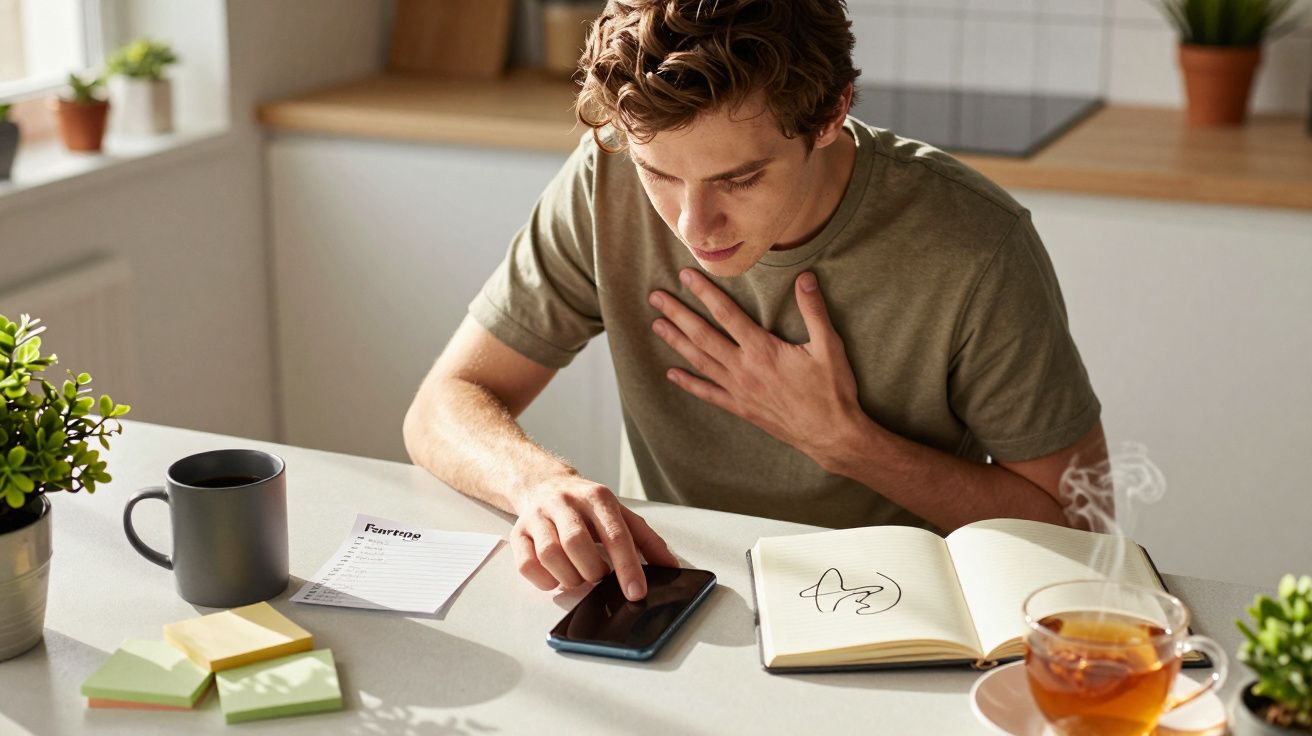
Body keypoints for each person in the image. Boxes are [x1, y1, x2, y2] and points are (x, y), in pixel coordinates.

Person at [403, 0, 1107, 604]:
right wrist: (538, 484)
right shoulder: (606, 175)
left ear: (831, 114)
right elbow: (444, 402)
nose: (690, 225)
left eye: (739, 180)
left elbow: (1079, 528)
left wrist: (848, 444)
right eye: (661, 174)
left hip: (887, 610)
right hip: (669, 594)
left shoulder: (975, 244)